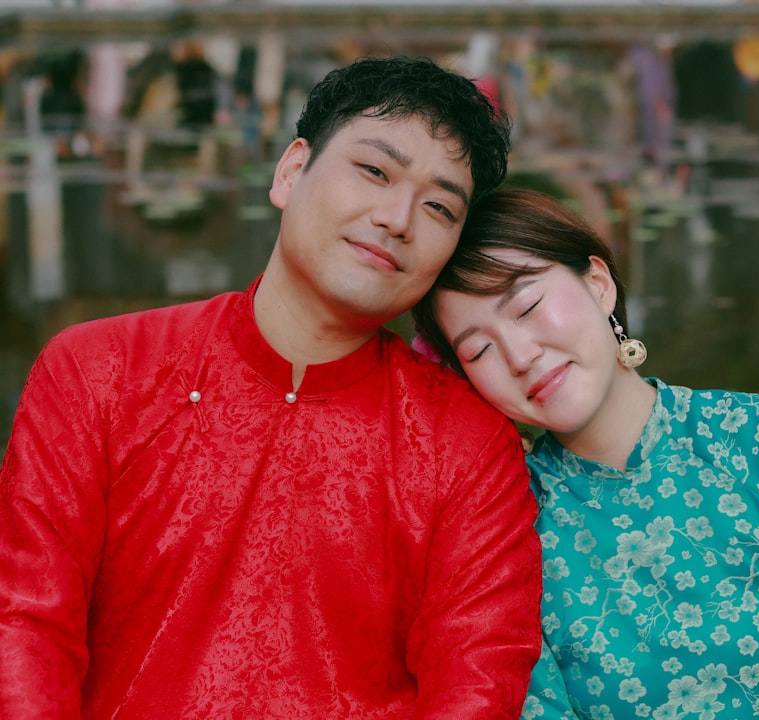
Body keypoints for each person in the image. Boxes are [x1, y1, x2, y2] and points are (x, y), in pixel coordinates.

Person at [0, 57, 541, 719]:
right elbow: (24, 626)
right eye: (374, 171)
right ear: (291, 171)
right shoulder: (98, 371)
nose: (399, 217)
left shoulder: (468, 445)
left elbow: (476, 683)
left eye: (439, 207)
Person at [412, 187, 759, 719]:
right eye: (478, 349)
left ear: (598, 285)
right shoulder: (502, 524)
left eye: (528, 306)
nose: (519, 355)